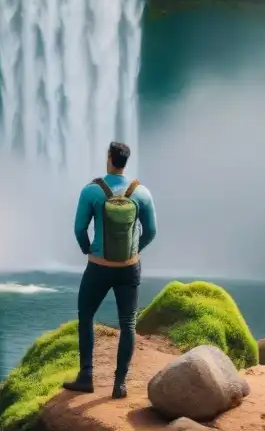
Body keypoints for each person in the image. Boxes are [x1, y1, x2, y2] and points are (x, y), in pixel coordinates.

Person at [63, 141, 158, 399]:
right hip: (129, 268)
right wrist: (135, 251)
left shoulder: (92, 191)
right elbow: (151, 232)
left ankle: (86, 377)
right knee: (127, 324)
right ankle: (119, 385)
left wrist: (88, 250)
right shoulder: (142, 193)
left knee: (86, 316)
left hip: (99, 268)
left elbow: (79, 229)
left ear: (109, 158)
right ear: (125, 161)